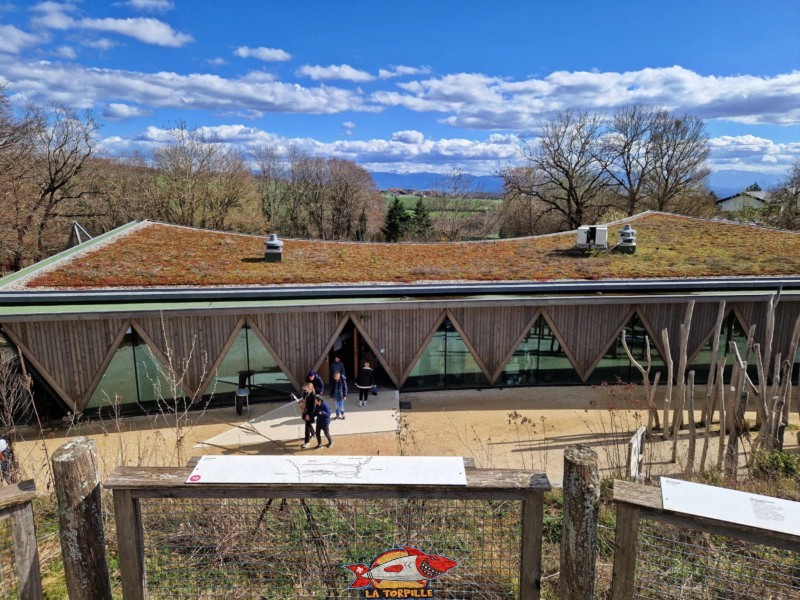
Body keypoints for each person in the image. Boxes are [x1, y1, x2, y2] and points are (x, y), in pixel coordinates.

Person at [296, 383, 316, 449]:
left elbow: (313, 407)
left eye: (306, 387)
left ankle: (307, 442)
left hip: (309, 412)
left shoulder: (313, 395)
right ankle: (313, 433)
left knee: (307, 427)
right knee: (307, 423)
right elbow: (303, 399)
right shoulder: (306, 392)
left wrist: (308, 415)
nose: (304, 389)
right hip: (305, 410)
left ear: (310, 388)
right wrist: (299, 401)